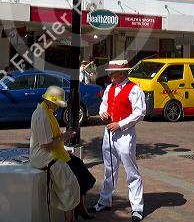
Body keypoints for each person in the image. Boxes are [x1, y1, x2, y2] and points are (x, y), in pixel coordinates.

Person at [90, 60, 146, 222]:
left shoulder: (134, 90)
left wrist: (120, 124)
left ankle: (137, 208)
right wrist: (103, 113)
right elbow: (104, 105)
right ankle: (105, 200)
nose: (110, 75)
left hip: (125, 134)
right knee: (109, 168)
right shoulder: (110, 88)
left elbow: (139, 113)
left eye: (113, 73)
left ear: (122, 74)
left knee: (131, 170)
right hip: (109, 132)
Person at [30, 86, 96, 222]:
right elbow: (46, 145)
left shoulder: (46, 112)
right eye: (57, 104)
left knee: (78, 169)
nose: (58, 107)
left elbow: (51, 140)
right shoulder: (42, 116)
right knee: (71, 185)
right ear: (51, 101)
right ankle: (71, 217)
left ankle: (77, 210)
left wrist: (62, 137)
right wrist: (64, 137)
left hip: (54, 152)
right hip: (46, 156)